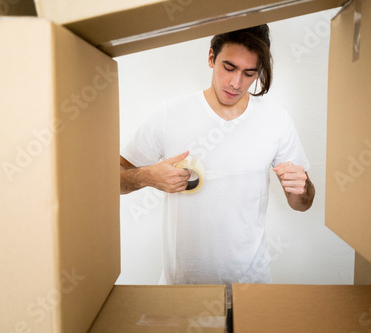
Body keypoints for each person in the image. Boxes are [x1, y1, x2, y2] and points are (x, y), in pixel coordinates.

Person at [120, 24, 315, 319]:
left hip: (251, 289)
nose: (236, 82)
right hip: (182, 289)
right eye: (229, 67)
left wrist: (301, 189)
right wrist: (148, 177)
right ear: (211, 57)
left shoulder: (276, 121)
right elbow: (112, 179)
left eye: (249, 73)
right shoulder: (168, 115)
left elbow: (303, 203)